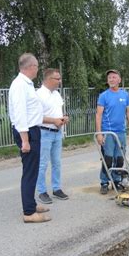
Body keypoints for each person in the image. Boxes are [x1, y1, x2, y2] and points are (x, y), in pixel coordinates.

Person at [8, 53, 54, 223]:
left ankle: (31, 204)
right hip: (26, 132)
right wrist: (25, 140)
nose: (37, 70)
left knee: (33, 171)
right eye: (36, 67)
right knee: (29, 172)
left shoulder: (26, 84)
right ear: (30, 67)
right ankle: (29, 213)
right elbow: (20, 114)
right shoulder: (20, 85)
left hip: (32, 131)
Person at [95, 69, 129, 194]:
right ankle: (104, 182)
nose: (111, 80)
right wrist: (99, 134)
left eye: (114, 77)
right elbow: (98, 115)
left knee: (119, 159)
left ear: (119, 80)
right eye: (109, 78)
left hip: (121, 132)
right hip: (108, 133)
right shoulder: (104, 96)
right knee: (107, 158)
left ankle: (117, 181)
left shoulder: (125, 95)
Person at [36, 69, 70, 204]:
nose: (60, 81)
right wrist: (54, 121)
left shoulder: (56, 94)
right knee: (42, 163)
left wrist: (63, 118)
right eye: (58, 79)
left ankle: (56, 189)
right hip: (44, 132)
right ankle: (42, 191)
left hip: (57, 132)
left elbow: (58, 111)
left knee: (57, 163)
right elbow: (36, 117)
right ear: (49, 79)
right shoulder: (38, 95)